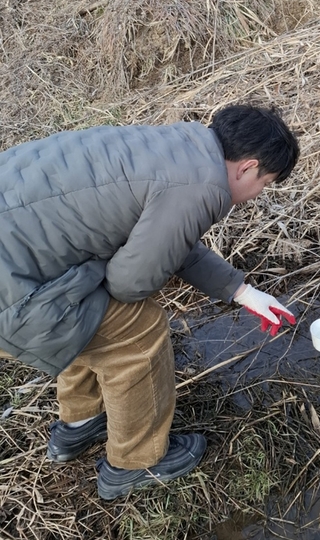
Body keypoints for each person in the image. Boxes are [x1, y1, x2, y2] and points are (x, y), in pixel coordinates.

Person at [0, 104, 299, 498]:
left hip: (20, 254)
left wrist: (241, 291)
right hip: (12, 291)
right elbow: (130, 283)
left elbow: (168, 238)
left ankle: (79, 424)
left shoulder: (177, 147)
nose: (257, 195)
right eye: (266, 182)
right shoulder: (203, 187)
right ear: (246, 167)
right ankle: (133, 462)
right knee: (136, 330)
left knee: (87, 308)